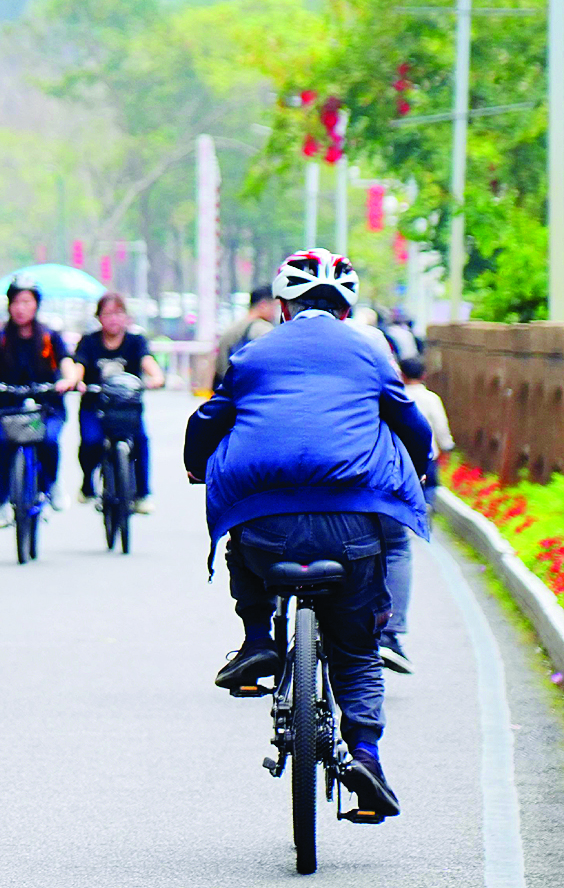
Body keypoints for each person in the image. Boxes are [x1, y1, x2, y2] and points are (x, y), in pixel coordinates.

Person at [186, 248, 431, 821]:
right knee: (355, 650)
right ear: (346, 310)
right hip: (351, 524)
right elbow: (410, 422)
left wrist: (197, 464)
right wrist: (417, 467)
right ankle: (366, 756)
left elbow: (209, 420)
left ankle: (257, 640)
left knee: (242, 529)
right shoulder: (370, 351)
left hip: (268, 526)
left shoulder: (254, 350)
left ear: (282, 306)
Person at [0, 284, 79, 529]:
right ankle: (0, 502)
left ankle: (51, 485)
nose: (21, 308)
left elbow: (66, 362)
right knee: (1, 444)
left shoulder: (49, 337)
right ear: (9, 305)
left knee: (49, 441)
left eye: (27, 302)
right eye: (16, 302)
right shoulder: (0, 338)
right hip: (8, 407)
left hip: (46, 406)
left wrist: (68, 380)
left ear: (36, 305)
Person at [380, 356, 453, 676]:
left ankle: (259, 635)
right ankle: (390, 633)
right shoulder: (420, 398)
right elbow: (431, 431)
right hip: (397, 475)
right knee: (396, 546)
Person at [73, 291, 166, 513]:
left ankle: (143, 494)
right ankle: (88, 484)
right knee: (91, 442)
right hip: (95, 408)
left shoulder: (136, 341)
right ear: (99, 318)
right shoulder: (89, 342)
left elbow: (147, 362)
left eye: (118, 313)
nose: (113, 318)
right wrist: (75, 381)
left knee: (141, 441)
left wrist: (156, 377)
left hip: (127, 409)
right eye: (107, 314)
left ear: (126, 317)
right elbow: (79, 366)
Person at [212, 285, 276, 385]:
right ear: (263, 305)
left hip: (229, 388)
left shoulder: (231, 329)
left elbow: (220, 366)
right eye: (274, 307)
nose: (275, 312)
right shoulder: (262, 329)